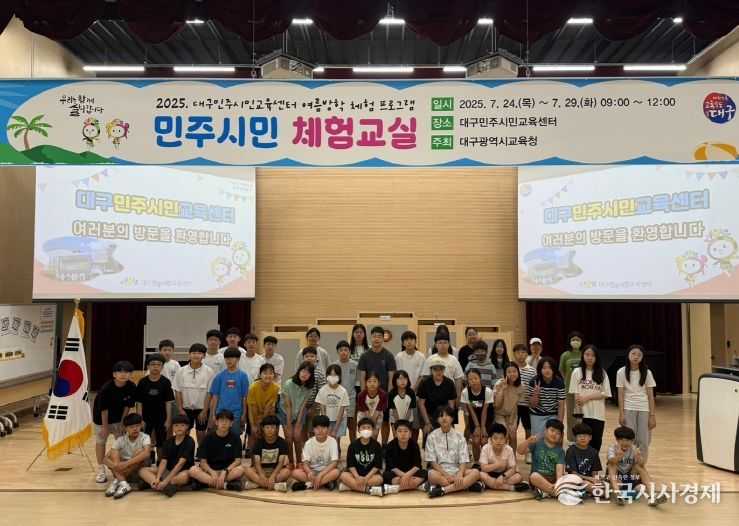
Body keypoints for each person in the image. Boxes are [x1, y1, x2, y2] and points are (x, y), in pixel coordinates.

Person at [93, 360, 136, 483]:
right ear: (114, 374)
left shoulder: (131, 387)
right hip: (102, 419)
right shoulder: (106, 389)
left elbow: (128, 406)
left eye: (127, 372)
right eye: (120, 372)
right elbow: (104, 410)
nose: (123, 374)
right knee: (101, 442)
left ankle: (120, 467)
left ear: (130, 374)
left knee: (121, 443)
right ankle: (101, 469)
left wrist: (123, 423)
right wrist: (105, 427)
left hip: (118, 418)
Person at [425, 406, 482, 498]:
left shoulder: (459, 436)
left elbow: (463, 460)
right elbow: (433, 462)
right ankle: (465, 486)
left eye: (447, 415)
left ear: (452, 418)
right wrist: (446, 475)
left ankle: (443, 490)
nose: (444, 418)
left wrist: (460, 474)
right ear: (437, 420)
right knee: (431, 474)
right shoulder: (431, 436)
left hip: (457, 470)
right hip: (440, 472)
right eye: (441, 416)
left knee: (476, 473)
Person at [607, 426, 667, 506]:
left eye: (627, 440)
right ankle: (618, 494)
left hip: (630, 477)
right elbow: (611, 461)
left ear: (632, 441)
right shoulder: (612, 448)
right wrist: (619, 456)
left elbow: (642, 464)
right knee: (612, 465)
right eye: (621, 440)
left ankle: (653, 496)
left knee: (639, 467)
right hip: (617, 480)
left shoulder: (634, 449)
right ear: (617, 440)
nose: (624, 442)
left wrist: (638, 457)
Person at [616, 344, 657, 464]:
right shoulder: (621, 372)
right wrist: (621, 413)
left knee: (643, 440)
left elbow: (650, 396)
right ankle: (628, 466)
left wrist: (652, 415)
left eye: (639, 354)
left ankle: (641, 466)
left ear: (642, 357)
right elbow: (620, 394)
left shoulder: (647, 372)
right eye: (633, 353)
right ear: (628, 355)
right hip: (628, 408)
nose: (636, 356)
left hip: (644, 409)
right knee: (628, 439)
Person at [138, 414, 194, 497]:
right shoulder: (168, 442)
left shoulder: (189, 441)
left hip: (182, 471)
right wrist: (158, 478)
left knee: (184, 476)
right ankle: (158, 484)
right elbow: (164, 461)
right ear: (172, 427)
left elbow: (180, 464)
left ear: (187, 427)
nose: (179, 428)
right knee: (142, 471)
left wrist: (166, 481)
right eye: (176, 425)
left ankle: (158, 484)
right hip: (168, 471)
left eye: (182, 425)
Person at [189, 409, 245, 491]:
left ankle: (205, 483)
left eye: (227, 421)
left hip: (227, 471)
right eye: (221, 420)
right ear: (216, 422)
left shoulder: (236, 438)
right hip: (210, 471)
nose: (224, 423)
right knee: (192, 470)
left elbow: (238, 461)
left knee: (241, 469)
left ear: (231, 423)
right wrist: (212, 472)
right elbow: (203, 462)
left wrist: (225, 471)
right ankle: (226, 485)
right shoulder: (208, 438)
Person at [357, 326, 396, 444]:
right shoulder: (364, 356)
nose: (377, 339)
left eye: (379, 336)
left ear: (383, 338)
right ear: (371, 338)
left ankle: (384, 445)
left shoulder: (389, 355)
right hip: (368, 395)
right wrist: (364, 394)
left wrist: (388, 395)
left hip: (383, 395)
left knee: (384, 422)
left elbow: (391, 377)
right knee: (369, 420)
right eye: (374, 336)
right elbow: (362, 376)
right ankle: (371, 444)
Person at [569, 344, 611, 452]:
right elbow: (576, 395)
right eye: (587, 354)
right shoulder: (577, 372)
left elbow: (606, 393)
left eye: (593, 355)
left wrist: (588, 397)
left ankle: (594, 463)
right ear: (583, 356)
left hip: (598, 414)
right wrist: (578, 415)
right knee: (582, 443)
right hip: (583, 415)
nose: (590, 357)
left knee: (596, 442)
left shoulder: (602, 372)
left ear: (596, 357)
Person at [135, 353, 174, 461]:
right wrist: (140, 419)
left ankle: (160, 462)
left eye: (158, 364)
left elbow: (168, 402)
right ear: (148, 366)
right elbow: (139, 402)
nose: (155, 367)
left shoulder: (166, 382)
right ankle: (147, 460)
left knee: (161, 442)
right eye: (153, 364)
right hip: (146, 417)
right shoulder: (142, 382)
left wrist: (168, 419)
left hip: (161, 417)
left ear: (162, 367)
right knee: (145, 441)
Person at [173, 343, 214, 445]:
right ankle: (185, 452)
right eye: (193, 353)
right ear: (189, 354)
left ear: (204, 356)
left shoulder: (209, 372)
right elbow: (177, 391)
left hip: (202, 409)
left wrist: (204, 411)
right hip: (185, 410)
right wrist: (180, 409)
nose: (196, 355)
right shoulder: (181, 371)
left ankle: (201, 452)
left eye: (199, 353)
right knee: (184, 433)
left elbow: (209, 393)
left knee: (201, 433)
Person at [103, 413, 151, 499]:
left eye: (137, 426)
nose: (135, 429)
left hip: (138, 469)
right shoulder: (121, 439)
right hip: (124, 470)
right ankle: (123, 483)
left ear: (141, 426)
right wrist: (117, 465)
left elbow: (147, 453)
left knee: (140, 453)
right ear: (125, 428)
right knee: (110, 456)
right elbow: (105, 459)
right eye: (131, 427)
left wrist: (126, 464)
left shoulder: (145, 437)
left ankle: (118, 480)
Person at [517, 418, 566, 500]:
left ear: (561, 437)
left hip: (552, 481)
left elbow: (559, 471)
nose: (554, 434)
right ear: (545, 431)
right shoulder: (536, 443)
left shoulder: (560, 451)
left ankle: (547, 491)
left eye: (558, 433)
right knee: (534, 476)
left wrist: (558, 483)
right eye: (552, 430)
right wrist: (528, 441)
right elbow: (520, 451)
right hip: (538, 480)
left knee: (568, 477)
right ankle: (555, 492)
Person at [291, 415, 340, 491]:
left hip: (326, 471)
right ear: (313, 429)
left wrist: (321, 474)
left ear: (328, 429)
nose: (320, 431)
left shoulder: (332, 441)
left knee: (336, 472)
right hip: (313, 471)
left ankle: (308, 484)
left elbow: (334, 463)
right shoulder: (308, 443)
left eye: (323, 427)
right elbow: (305, 463)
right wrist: (309, 472)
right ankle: (325, 483)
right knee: (295, 473)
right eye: (317, 428)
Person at [208, 348, 249, 437]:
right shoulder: (219, 376)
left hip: (236, 413)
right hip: (221, 412)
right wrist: (213, 414)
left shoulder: (243, 376)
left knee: (235, 437)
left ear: (238, 359)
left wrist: (244, 414)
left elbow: (244, 397)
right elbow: (215, 397)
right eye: (226, 358)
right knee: (220, 437)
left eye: (232, 358)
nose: (229, 360)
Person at [244, 415, 291, 492]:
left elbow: (281, 463)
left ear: (277, 428)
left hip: (275, 470)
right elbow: (257, 463)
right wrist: (262, 475)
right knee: (247, 470)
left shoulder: (282, 442)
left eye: (272, 427)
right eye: (267, 427)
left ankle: (258, 484)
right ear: (263, 428)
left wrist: (273, 476)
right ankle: (274, 486)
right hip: (261, 470)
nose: (270, 430)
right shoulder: (258, 443)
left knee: (287, 472)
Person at [339, 417, 385, 496]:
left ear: (373, 430)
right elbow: (351, 465)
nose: (366, 430)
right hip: (355, 475)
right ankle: (367, 489)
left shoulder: (377, 445)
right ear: (358, 430)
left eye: (368, 428)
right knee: (343, 475)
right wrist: (357, 477)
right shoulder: (353, 445)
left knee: (379, 479)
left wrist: (366, 478)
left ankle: (350, 487)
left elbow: (377, 466)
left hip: (371, 475)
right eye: (363, 428)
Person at [281, 362, 315, 466]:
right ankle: (291, 462)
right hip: (285, 413)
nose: (305, 374)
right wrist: (289, 424)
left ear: (311, 375)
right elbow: (288, 406)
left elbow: (303, 406)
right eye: (303, 370)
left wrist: (298, 423)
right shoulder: (288, 383)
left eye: (308, 372)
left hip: (299, 412)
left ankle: (299, 462)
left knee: (297, 436)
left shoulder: (309, 387)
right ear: (299, 371)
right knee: (289, 437)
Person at [417, 356, 457, 443]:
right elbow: (421, 404)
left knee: (450, 437)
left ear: (444, 370)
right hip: (429, 415)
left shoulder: (449, 383)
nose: (438, 372)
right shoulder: (424, 383)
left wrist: (448, 421)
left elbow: (451, 405)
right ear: (431, 370)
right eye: (435, 369)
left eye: (441, 369)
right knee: (428, 433)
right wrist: (427, 422)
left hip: (444, 415)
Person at [479, 423, 528, 492]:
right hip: (489, 473)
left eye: (501, 438)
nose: (498, 441)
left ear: (505, 439)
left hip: (504, 474)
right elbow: (483, 468)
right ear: (490, 439)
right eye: (495, 438)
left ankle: (490, 485)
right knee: (481, 474)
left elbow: (513, 468)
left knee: (518, 477)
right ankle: (511, 488)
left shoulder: (509, 449)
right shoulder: (485, 448)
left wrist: (503, 476)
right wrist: (498, 464)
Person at [383, 419, 426, 493]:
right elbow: (392, 467)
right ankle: (415, 486)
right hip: (396, 473)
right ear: (395, 433)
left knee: (425, 473)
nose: (403, 434)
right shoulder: (390, 446)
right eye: (399, 431)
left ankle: (397, 488)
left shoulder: (414, 445)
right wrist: (404, 476)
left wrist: (406, 476)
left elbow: (417, 465)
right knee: (386, 475)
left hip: (411, 472)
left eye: (406, 431)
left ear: (410, 434)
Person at [527, 357, 565, 438]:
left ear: (554, 369)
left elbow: (561, 405)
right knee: (537, 439)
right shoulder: (533, 382)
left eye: (550, 368)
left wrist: (560, 423)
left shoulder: (559, 383)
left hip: (553, 414)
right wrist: (536, 394)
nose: (547, 370)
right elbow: (532, 405)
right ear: (540, 370)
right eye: (544, 368)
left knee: (554, 437)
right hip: (537, 413)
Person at [461, 368, 494, 461]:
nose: (473, 381)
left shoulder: (487, 391)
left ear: (480, 378)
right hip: (474, 416)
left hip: (487, 416)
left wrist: (483, 427)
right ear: (467, 381)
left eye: (475, 378)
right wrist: (477, 426)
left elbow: (485, 410)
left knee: (484, 441)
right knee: (475, 441)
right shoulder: (465, 392)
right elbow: (471, 410)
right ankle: (476, 462)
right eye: (470, 379)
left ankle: (485, 461)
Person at [315, 363, 350, 451]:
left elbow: (341, 411)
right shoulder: (323, 390)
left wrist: (335, 429)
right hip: (327, 420)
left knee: (335, 440)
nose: (332, 377)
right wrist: (325, 425)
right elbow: (322, 408)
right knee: (327, 439)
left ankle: (337, 454)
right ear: (327, 376)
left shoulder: (343, 391)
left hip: (339, 420)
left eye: (335, 375)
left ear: (339, 376)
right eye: (330, 374)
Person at [422, 329, 464, 398]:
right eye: (440, 343)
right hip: (433, 395)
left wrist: (458, 395)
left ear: (449, 344)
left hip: (450, 394)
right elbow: (425, 378)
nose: (442, 345)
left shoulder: (454, 359)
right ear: (436, 345)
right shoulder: (430, 359)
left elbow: (458, 379)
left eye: (445, 342)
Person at [246, 363, 279, 449]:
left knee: (268, 432)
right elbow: (251, 409)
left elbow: (269, 407)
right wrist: (253, 425)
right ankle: (252, 452)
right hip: (253, 415)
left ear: (274, 375)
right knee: (253, 434)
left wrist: (261, 424)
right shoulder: (253, 387)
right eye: (265, 373)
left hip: (267, 414)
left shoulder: (276, 388)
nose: (268, 376)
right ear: (260, 375)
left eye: (271, 373)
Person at [560, 331, 585, 442]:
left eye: (578, 340)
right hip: (569, 389)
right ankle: (571, 438)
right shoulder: (565, 355)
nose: (575, 341)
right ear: (569, 341)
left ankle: (582, 437)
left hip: (583, 389)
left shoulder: (584, 354)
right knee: (571, 415)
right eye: (573, 340)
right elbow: (561, 370)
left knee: (582, 415)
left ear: (581, 341)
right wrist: (567, 380)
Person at [565, 422, 603, 495]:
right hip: (575, 480)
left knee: (605, 484)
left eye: (585, 436)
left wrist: (596, 480)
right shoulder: (571, 451)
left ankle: (590, 491)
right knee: (593, 488)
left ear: (590, 437)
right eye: (579, 436)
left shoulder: (594, 452)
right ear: (575, 438)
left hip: (589, 481)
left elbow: (595, 472)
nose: (582, 438)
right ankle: (595, 491)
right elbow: (573, 473)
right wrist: (589, 479)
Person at [332, 340, 358, 442]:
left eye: (346, 350)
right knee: (337, 425)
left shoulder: (355, 365)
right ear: (337, 352)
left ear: (350, 351)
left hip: (351, 398)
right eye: (341, 350)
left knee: (352, 426)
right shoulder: (334, 365)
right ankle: (337, 448)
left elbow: (358, 383)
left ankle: (353, 447)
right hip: (337, 399)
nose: (343, 352)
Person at [512, 344, 536, 451]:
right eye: (518, 352)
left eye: (523, 352)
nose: (520, 355)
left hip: (527, 405)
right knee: (512, 431)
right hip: (513, 405)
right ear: (514, 354)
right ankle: (511, 454)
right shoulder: (511, 369)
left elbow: (534, 387)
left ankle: (528, 453)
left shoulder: (532, 370)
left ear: (527, 354)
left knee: (529, 430)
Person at [493, 363, 522, 448]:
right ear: (505, 374)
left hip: (512, 414)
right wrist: (502, 389)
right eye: (509, 372)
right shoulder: (499, 383)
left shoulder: (521, 386)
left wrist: (511, 422)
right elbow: (497, 405)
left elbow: (516, 405)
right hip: (499, 414)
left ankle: (512, 455)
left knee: (513, 436)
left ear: (518, 372)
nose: (512, 374)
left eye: (514, 371)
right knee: (504, 435)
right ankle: (502, 454)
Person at [387, 370, 418, 442]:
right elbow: (394, 411)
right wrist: (399, 424)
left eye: (405, 378)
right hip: (395, 420)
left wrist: (405, 423)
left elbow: (410, 410)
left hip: (408, 420)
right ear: (395, 381)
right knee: (397, 437)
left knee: (407, 438)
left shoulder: (411, 392)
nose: (402, 381)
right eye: (400, 379)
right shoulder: (392, 393)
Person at [356, 371, 387, 440]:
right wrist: (368, 425)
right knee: (365, 435)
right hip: (364, 415)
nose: (372, 384)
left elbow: (378, 410)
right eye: (369, 381)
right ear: (365, 383)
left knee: (374, 435)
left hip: (377, 415)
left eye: (374, 381)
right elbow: (365, 411)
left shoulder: (383, 395)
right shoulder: (361, 395)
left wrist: (373, 426)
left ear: (379, 383)